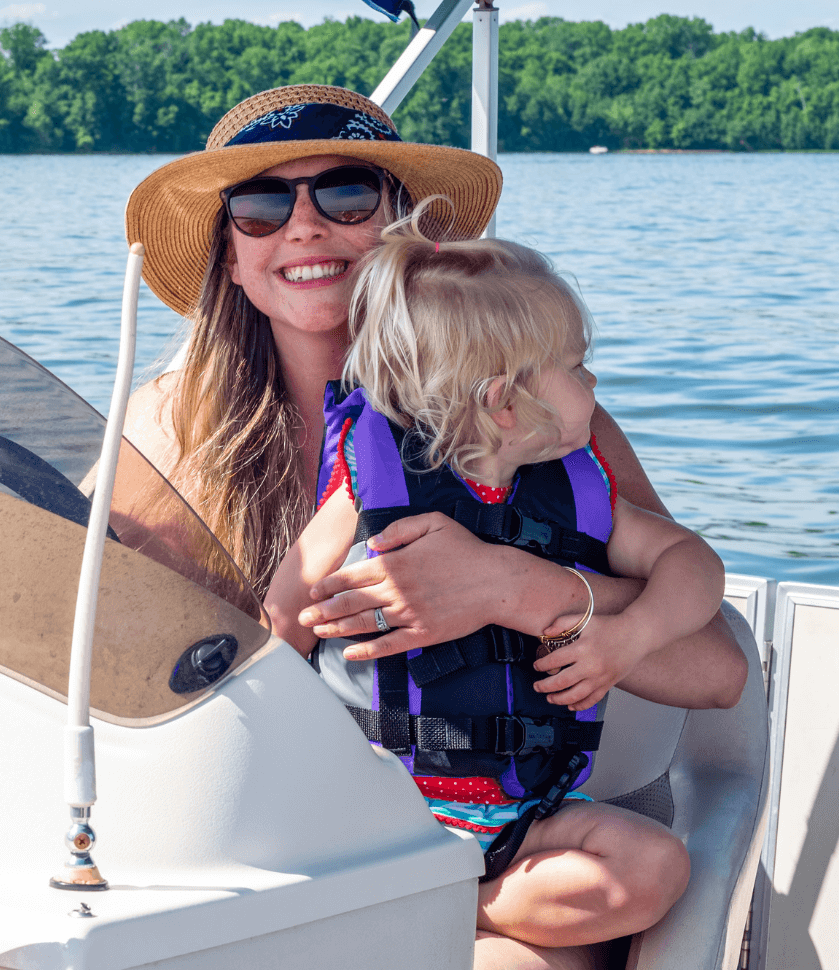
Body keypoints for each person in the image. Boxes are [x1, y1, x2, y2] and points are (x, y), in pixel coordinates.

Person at [120, 84, 747, 970]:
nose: (302, 227)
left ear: (404, 230)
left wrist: (512, 587)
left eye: (344, 194)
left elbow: (717, 671)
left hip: (530, 849)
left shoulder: (542, 421)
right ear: (230, 254)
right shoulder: (165, 435)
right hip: (306, 843)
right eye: (262, 207)